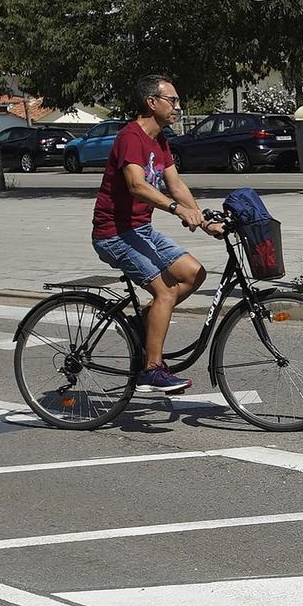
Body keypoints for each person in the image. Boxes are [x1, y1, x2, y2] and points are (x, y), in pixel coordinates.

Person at [91, 76, 222, 393]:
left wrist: (205, 221)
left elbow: (176, 185)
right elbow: (136, 185)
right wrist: (178, 210)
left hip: (141, 229)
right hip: (113, 232)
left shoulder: (160, 140)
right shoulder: (131, 137)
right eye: (173, 100)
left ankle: (145, 324)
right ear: (152, 102)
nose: (177, 106)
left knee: (194, 273)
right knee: (165, 291)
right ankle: (151, 369)